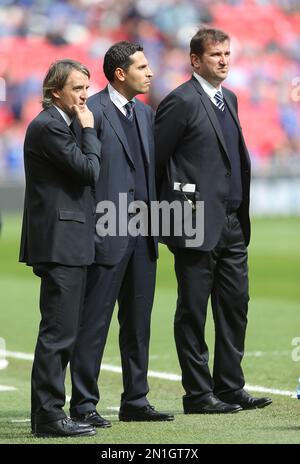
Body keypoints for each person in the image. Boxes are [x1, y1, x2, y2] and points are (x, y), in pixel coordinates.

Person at [155, 28, 272, 414]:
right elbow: (156, 162)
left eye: (226, 53)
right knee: (193, 310)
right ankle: (197, 394)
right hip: (193, 222)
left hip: (233, 223)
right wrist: (171, 214)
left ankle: (229, 386)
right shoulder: (180, 101)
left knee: (236, 305)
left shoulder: (231, 99)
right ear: (195, 60)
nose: (223, 60)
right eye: (215, 55)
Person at [69, 41, 174, 425]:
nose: (150, 72)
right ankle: (83, 404)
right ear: (119, 73)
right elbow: (82, 176)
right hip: (106, 234)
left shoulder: (146, 114)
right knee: (93, 323)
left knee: (137, 324)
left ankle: (136, 400)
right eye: (142, 67)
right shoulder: (89, 111)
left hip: (143, 234)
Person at [19, 59, 101, 437]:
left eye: (86, 88)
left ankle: (52, 411)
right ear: (56, 92)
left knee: (63, 329)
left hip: (69, 240)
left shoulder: (57, 124)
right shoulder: (50, 126)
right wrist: (89, 131)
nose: (84, 96)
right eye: (77, 89)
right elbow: (87, 170)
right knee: (58, 332)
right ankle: (49, 415)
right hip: (60, 242)